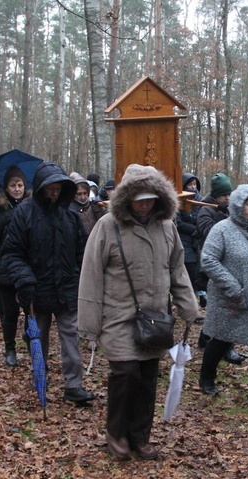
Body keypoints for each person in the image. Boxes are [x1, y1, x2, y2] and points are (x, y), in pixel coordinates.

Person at [78, 164, 198, 461]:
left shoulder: (167, 227)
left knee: (146, 376)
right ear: (127, 198)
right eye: (140, 198)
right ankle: (116, 432)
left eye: (150, 198)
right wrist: (89, 326)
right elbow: (91, 275)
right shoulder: (107, 226)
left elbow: (177, 268)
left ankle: (140, 437)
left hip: (155, 317)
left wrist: (188, 305)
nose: (145, 204)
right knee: (125, 373)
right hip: (118, 317)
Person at [2, 161, 94, 405]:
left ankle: (74, 385)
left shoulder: (70, 217)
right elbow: (11, 252)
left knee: (72, 339)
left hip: (66, 289)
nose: (54, 193)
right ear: (41, 187)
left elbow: (81, 253)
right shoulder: (24, 213)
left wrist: (78, 279)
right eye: (50, 188)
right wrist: (24, 279)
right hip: (35, 291)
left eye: (58, 189)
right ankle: (39, 378)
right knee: (37, 339)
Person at [198, 184, 248, 411]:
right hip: (229, 299)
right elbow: (208, 260)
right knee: (221, 339)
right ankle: (206, 377)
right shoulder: (221, 229)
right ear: (238, 205)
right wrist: (234, 288)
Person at [196, 173, 246, 364]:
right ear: (216, 195)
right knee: (223, 308)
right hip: (211, 267)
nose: (227, 198)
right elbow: (209, 234)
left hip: (231, 266)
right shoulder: (205, 211)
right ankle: (227, 348)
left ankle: (205, 337)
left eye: (229, 194)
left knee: (226, 308)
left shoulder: (228, 209)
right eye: (224, 195)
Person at [0, 166, 30, 367]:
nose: (17, 189)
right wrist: (9, 216)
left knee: (31, 309)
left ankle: (31, 342)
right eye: (13, 185)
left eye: (20, 185)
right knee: (9, 312)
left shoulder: (32, 205)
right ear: (6, 188)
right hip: (4, 265)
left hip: (28, 264)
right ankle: (9, 348)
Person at [175, 173, 206, 311]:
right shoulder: (178, 202)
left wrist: (199, 230)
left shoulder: (201, 201)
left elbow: (203, 218)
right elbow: (179, 222)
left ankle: (200, 297)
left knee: (199, 271)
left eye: (194, 184)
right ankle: (190, 306)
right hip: (184, 241)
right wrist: (193, 230)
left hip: (197, 243)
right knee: (190, 271)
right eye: (190, 185)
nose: (193, 187)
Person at [69, 173, 106, 238]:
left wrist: (98, 209)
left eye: (85, 193)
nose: (83, 197)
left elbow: (104, 224)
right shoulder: (70, 210)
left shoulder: (93, 206)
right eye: (79, 194)